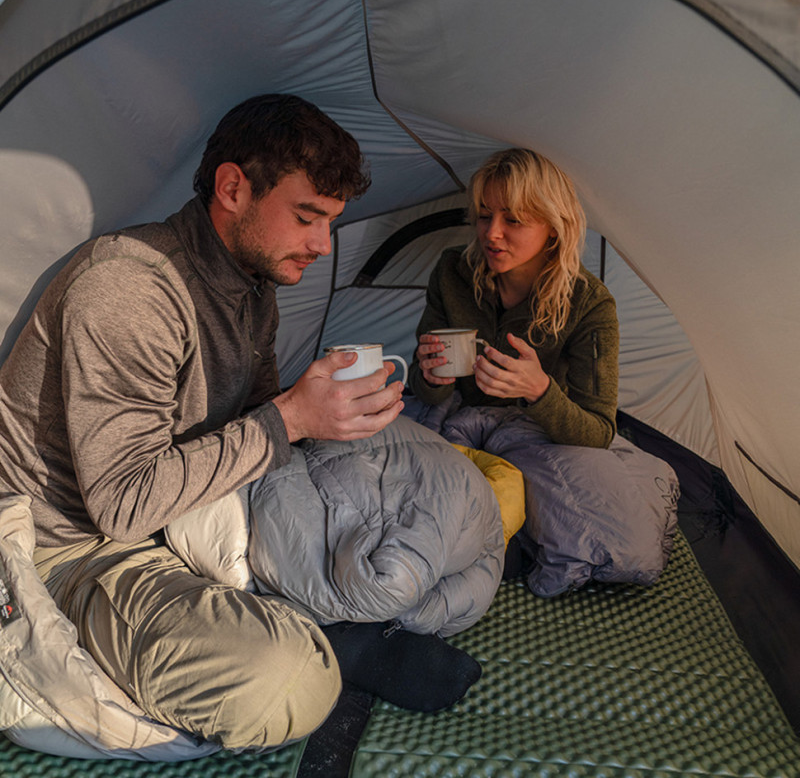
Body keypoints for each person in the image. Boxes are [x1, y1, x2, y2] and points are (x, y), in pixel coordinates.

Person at [0, 94, 478, 751]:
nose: (322, 245)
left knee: (419, 484)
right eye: (307, 217)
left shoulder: (254, 288)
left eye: (331, 223)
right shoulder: (129, 290)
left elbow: (256, 426)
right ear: (232, 189)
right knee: (288, 683)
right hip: (74, 550)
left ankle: (328, 620)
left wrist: (323, 415)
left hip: (189, 516)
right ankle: (329, 641)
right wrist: (292, 416)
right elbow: (122, 505)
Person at [409, 148, 619, 449]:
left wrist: (539, 390)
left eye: (513, 220)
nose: (492, 233)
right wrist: (430, 378)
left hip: (532, 436)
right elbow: (423, 387)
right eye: (484, 216)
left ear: (554, 227)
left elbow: (599, 431)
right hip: (456, 424)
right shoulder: (452, 272)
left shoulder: (589, 304)